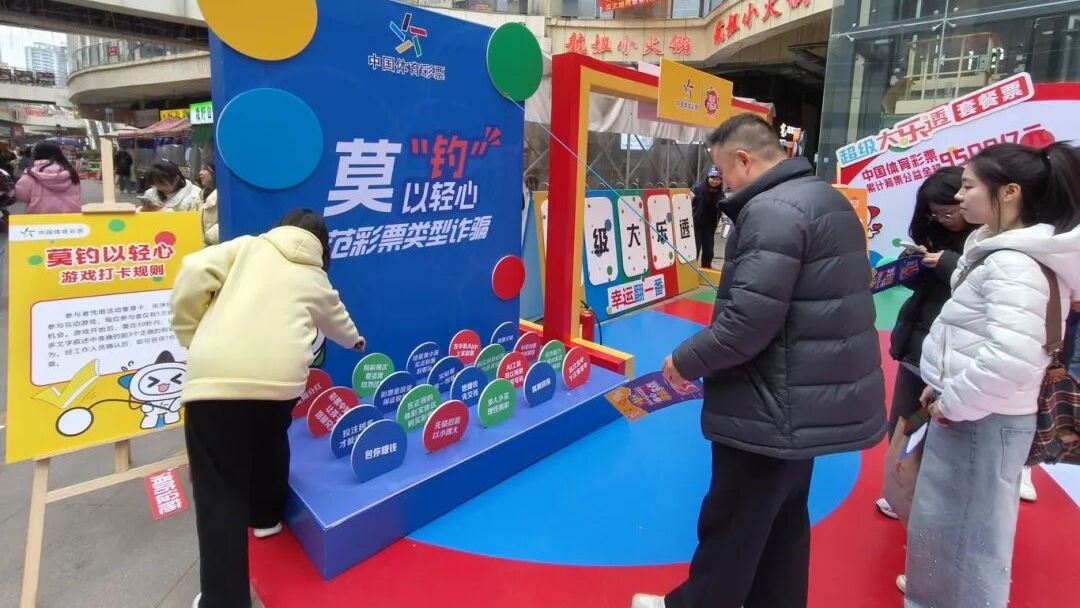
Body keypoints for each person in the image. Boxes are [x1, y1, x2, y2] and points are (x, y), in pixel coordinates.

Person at [633, 114, 885, 608]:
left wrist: (685, 359)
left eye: (722, 170)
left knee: (734, 521)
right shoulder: (824, 198)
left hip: (769, 402)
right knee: (783, 524)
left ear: (744, 160)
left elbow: (747, 323)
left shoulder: (771, 212)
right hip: (806, 397)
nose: (722, 181)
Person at [906, 142, 1080, 608]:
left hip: (981, 418)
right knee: (952, 531)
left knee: (967, 541)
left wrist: (953, 401)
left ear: (1009, 193)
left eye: (968, 186)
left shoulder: (1013, 263)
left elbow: (1010, 356)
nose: (959, 196)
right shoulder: (1006, 252)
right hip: (978, 411)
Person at [170, 209, 365, 608]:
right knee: (270, 441)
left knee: (219, 486)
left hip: (217, 379)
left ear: (281, 227)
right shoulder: (314, 275)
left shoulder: (245, 248)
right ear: (323, 246)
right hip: (281, 383)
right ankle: (265, 518)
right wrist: (355, 341)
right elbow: (338, 319)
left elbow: (193, 269)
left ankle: (224, 600)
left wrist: (189, 329)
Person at [876, 167, 976, 520]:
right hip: (916, 348)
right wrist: (915, 264)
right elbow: (920, 287)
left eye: (948, 211)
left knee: (941, 430)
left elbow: (978, 290)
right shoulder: (935, 234)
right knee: (905, 422)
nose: (943, 219)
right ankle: (901, 489)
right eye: (935, 214)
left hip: (954, 358)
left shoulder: (987, 243)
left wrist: (947, 263)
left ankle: (930, 500)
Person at [14, 141, 82, 214]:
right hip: (71, 216)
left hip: (40, 217)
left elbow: (21, 196)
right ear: (59, 153)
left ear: (36, 154)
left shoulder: (31, 174)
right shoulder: (71, 173)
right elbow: (77, 192)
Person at [690, 166, 723, 269]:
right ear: (708, 177)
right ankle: (691, 270)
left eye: (718, 179)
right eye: (713, 178)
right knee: (695, 249)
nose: (715, 181)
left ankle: (706, 269)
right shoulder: (697, 189)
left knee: (709, 251)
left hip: (710, 226)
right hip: (696, 224)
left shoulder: (720, 193)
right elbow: (687, 202)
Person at [197, 160, 219, 245]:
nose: (200, 173)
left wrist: (207, 237)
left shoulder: (223, 195)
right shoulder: (202, 194)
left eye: (205, 169)